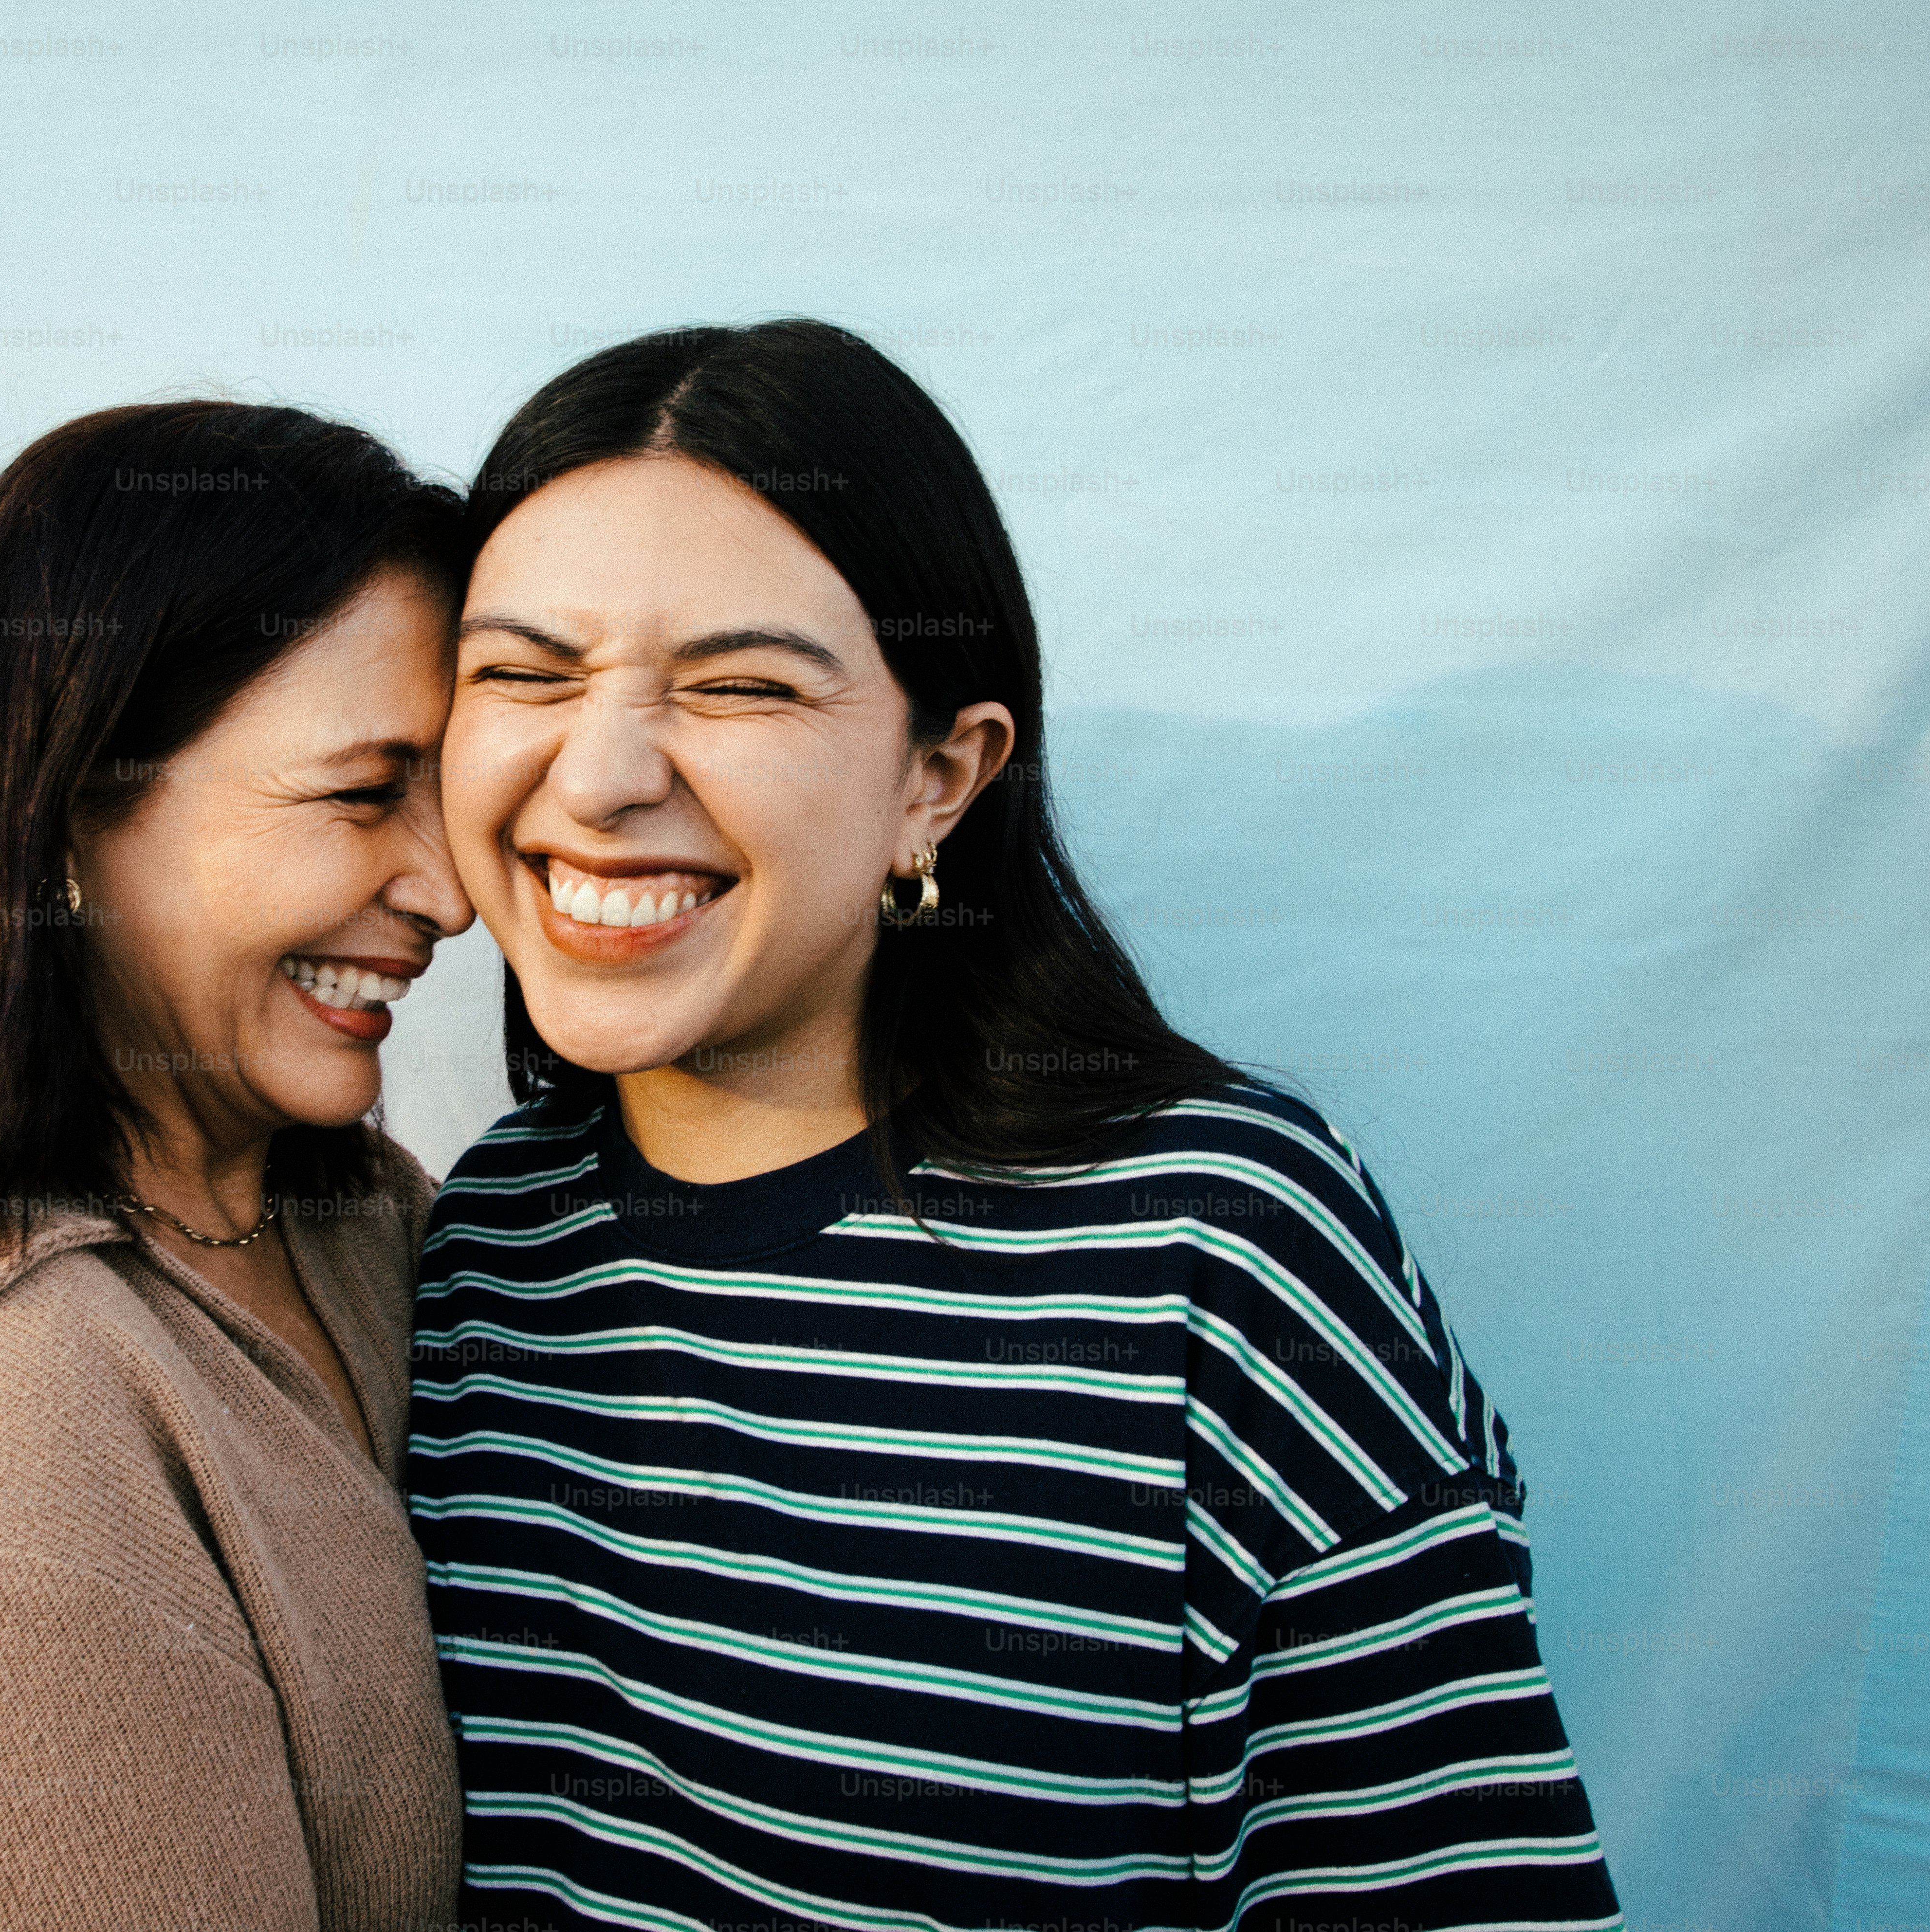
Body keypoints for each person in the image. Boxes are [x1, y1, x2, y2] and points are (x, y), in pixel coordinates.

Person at [408, 321, 1622, 1929]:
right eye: (524, 671)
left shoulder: (1218, 1247)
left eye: (740, 684)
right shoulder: (488, 1234)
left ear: (939, 776)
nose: (604, 771)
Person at [0, 400, 474, 1931]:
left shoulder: (338, 1205)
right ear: (68, 802)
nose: (449, 889)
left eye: (449, 788)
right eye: (363, 790)